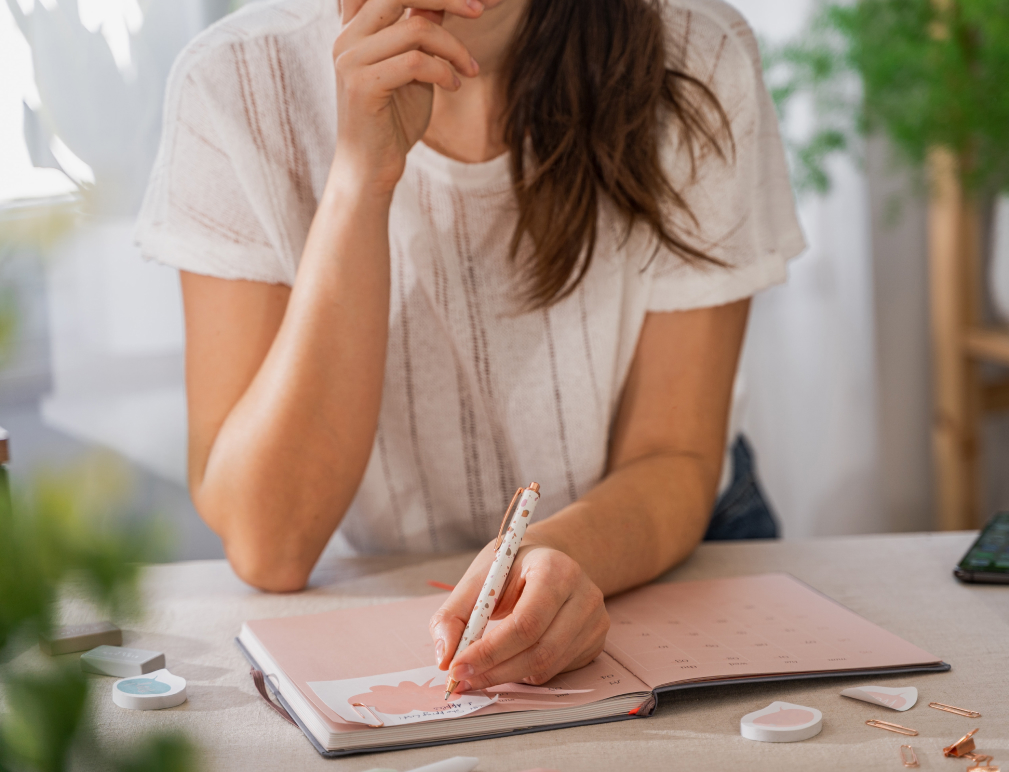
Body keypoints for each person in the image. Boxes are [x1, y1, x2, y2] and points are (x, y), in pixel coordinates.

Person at [136, 0, 803, 695]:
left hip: (660, 551)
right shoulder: (233, 81)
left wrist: (550, 556)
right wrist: (361, 178)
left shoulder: (695, 50)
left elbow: (674, 455)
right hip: (397, 588)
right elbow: (270, 542)